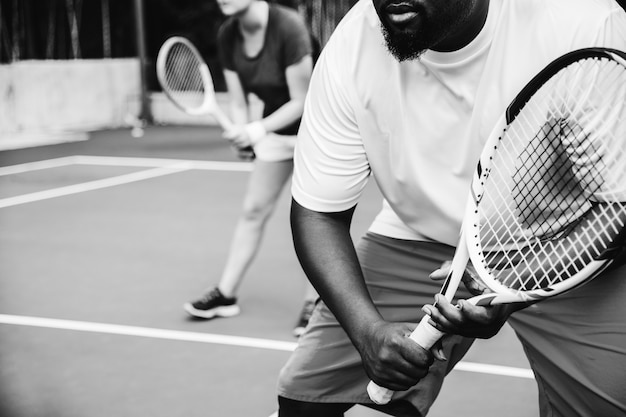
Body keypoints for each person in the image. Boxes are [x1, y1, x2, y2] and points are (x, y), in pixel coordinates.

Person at [277, 0, 626, 416]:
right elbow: (318, 213)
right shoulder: (353, 44)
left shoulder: (581, 21)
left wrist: (511, 290)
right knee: (304, 403)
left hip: (569, 245)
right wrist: (367, 331)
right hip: (421, 234)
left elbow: (620, 205)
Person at [184, 0, 318, 337]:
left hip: (319, 130)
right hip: (276, 130)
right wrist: (244, 134)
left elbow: (302, 99)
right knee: (253, 210)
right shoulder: (228, 34)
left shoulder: (288, 27)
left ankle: (315, 303)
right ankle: (225, 294)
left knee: (314, 218)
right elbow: (240, 101)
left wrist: (256, 130)